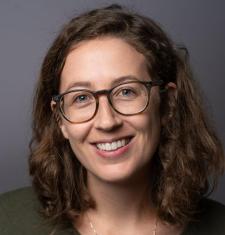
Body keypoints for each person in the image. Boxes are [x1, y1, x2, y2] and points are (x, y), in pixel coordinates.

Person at [0, 4, 225, 235]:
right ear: (60, 119)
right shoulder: (7, 221)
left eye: (126, 92)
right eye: (81, 98)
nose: (107, 122)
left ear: (167, 105)